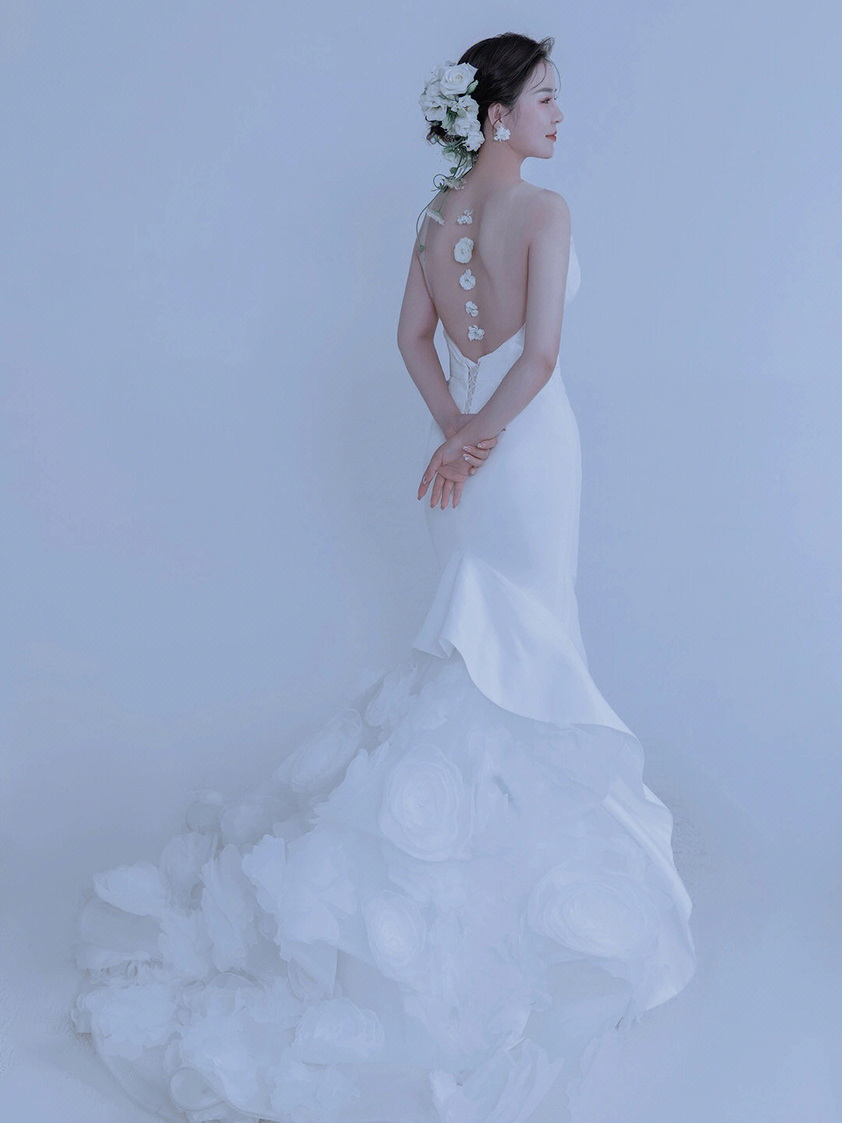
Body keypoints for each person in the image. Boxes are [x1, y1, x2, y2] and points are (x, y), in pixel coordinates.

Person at [70, 31, 697, 1123]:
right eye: (546, 98)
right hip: (527, 458)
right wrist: (482, 441)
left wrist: (453, 432)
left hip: (464, 465)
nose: (560, 115)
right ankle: (512, 898)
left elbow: (412, 338)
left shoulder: (434, 218)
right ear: (495, 114)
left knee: (471, 647)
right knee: (531, 643)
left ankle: (448, 863)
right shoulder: (545, 212)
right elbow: (541, 356)